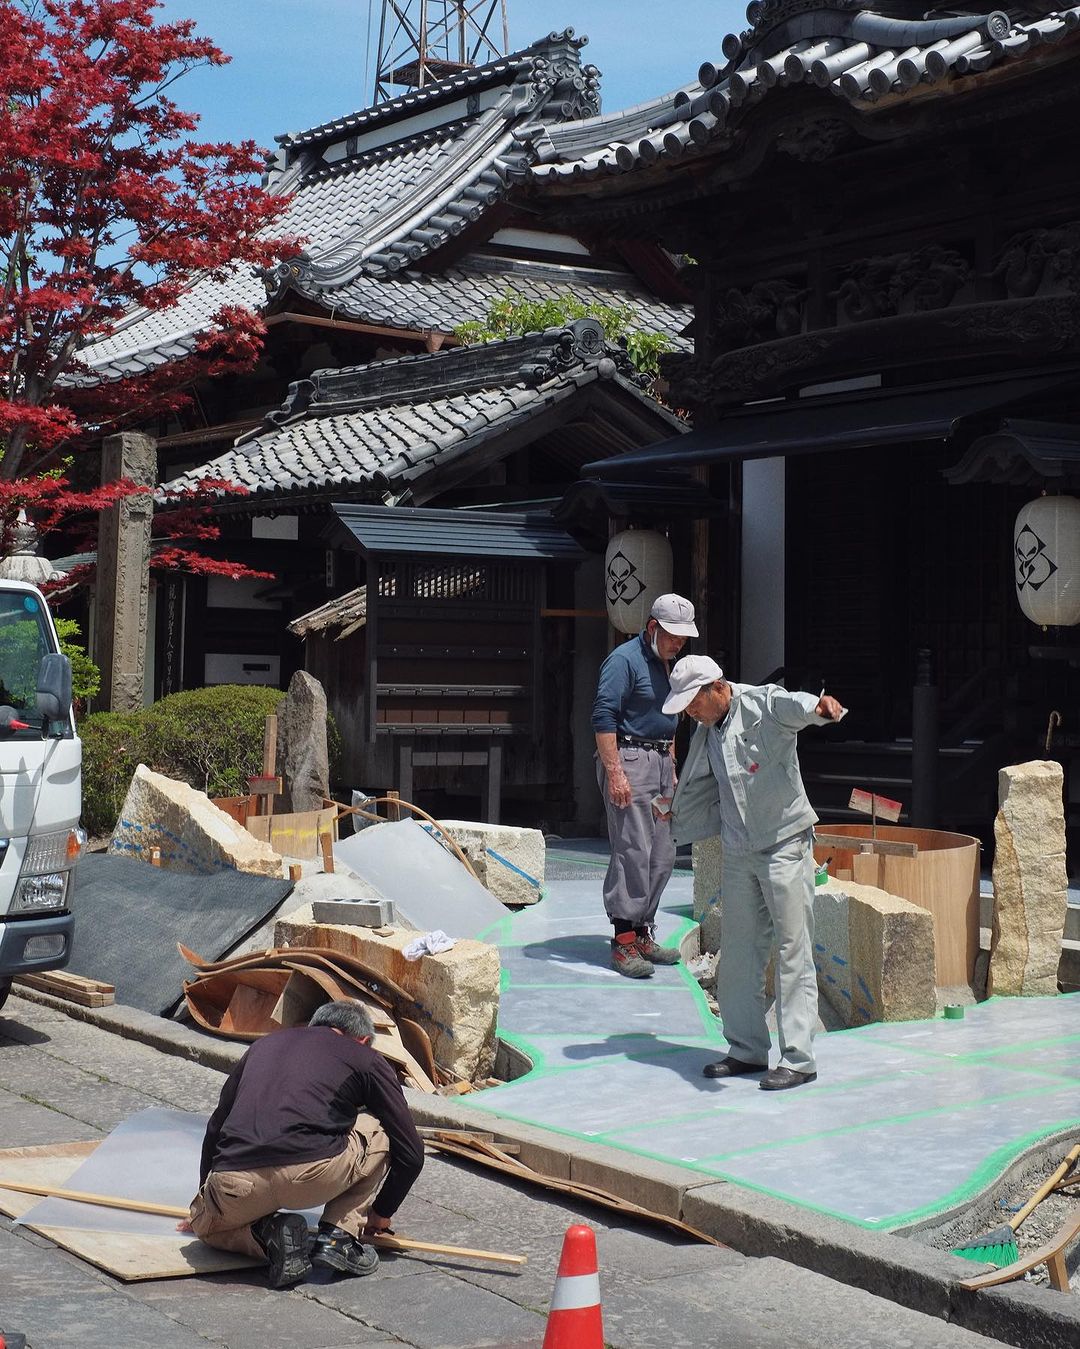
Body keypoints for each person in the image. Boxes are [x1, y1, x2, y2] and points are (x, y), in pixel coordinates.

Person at [664, 656, 845, 1090]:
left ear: (717, 687)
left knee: (792, 948)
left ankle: (799, 1059)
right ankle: (746, 1049)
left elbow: (796, 706)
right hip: (738, 848)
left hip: (783, 843)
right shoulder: (708, 729)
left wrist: (821, 708)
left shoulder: (762, 703)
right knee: (740, 949)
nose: (689, 711)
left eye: (693, 701)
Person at [185, 1000, 424, 1288]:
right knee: (382, 1127)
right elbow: (411, 1151)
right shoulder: (366, 1058)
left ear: (315, 1025)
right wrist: (381, 1213)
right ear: (362, 1040)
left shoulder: (262, 1046)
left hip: (236, 1183)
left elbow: (215, 1127)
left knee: (204, 1228)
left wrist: (206, 1202)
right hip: (312, 1176)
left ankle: (268, 1236)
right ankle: (338, 1237)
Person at [592, 592, 698, 977]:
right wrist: (615, 771)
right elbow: (604, 715)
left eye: (683, 637)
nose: (678, 643)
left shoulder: (670, 664)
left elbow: (670, 716)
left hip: (659, 762)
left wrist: (671, 763)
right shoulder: (623, 661)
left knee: (663, 852)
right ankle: (623, 940)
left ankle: (642, 931)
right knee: (633, 847)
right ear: (652, 627)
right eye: (672, 635)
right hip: (630, 758)